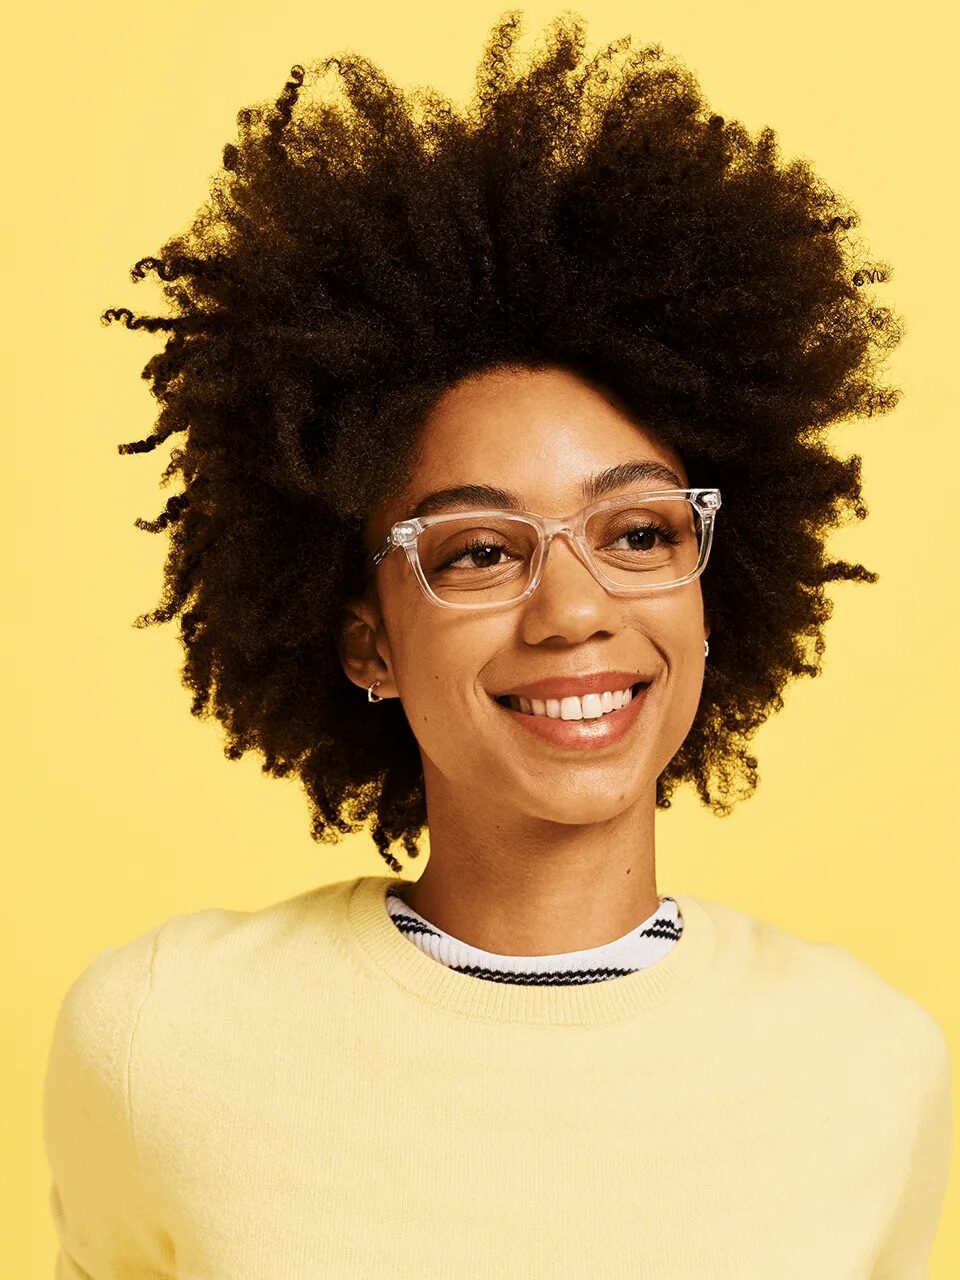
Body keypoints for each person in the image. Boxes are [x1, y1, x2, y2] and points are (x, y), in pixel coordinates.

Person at [43, 11, 951, 1277]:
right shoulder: (165, 1037)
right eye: (476, 550)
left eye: (636, 532)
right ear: (367, 638)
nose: (573, 609)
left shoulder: (871, 1064)